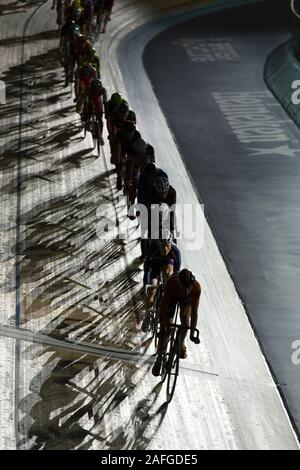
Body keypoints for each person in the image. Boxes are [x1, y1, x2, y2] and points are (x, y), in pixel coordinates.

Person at [152, 269, 201, 376]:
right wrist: (162, 326)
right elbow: (163, 307)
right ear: (179, 283)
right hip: (172, 298)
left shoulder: (196, 287)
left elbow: (194, 312)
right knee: (167, 331)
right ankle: (159, 359)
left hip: (186, 301)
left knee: (185, 322)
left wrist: (192, 333)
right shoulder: (172, 283)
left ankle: (181, 343)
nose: (186, 290)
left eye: (189, 287)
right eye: (184, 287)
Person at [142, 229, 181, 332]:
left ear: (170, 244)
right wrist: (146, 284)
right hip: (155, 265)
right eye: (162, 246)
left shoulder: (176, 251)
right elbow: (147, 269)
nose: (165, 248)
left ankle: (165, 301)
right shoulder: (153, 247)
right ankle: (147, 315)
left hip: (168, 263)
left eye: (167, 245)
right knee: (151, 290)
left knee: (169, 274)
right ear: (158, 244)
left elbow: (177, 274)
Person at [86, 78, 107, 143]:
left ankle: (100, 135)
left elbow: (105, 101)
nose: (96, 89)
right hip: (91, 101)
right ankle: (88, 121)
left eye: (97, 88)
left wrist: (105, 112)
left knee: (100, 119)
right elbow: (86, 100)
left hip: (98, 103)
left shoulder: (103, 90)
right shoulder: (89, 89)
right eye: (94, 88)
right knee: (89, 112)